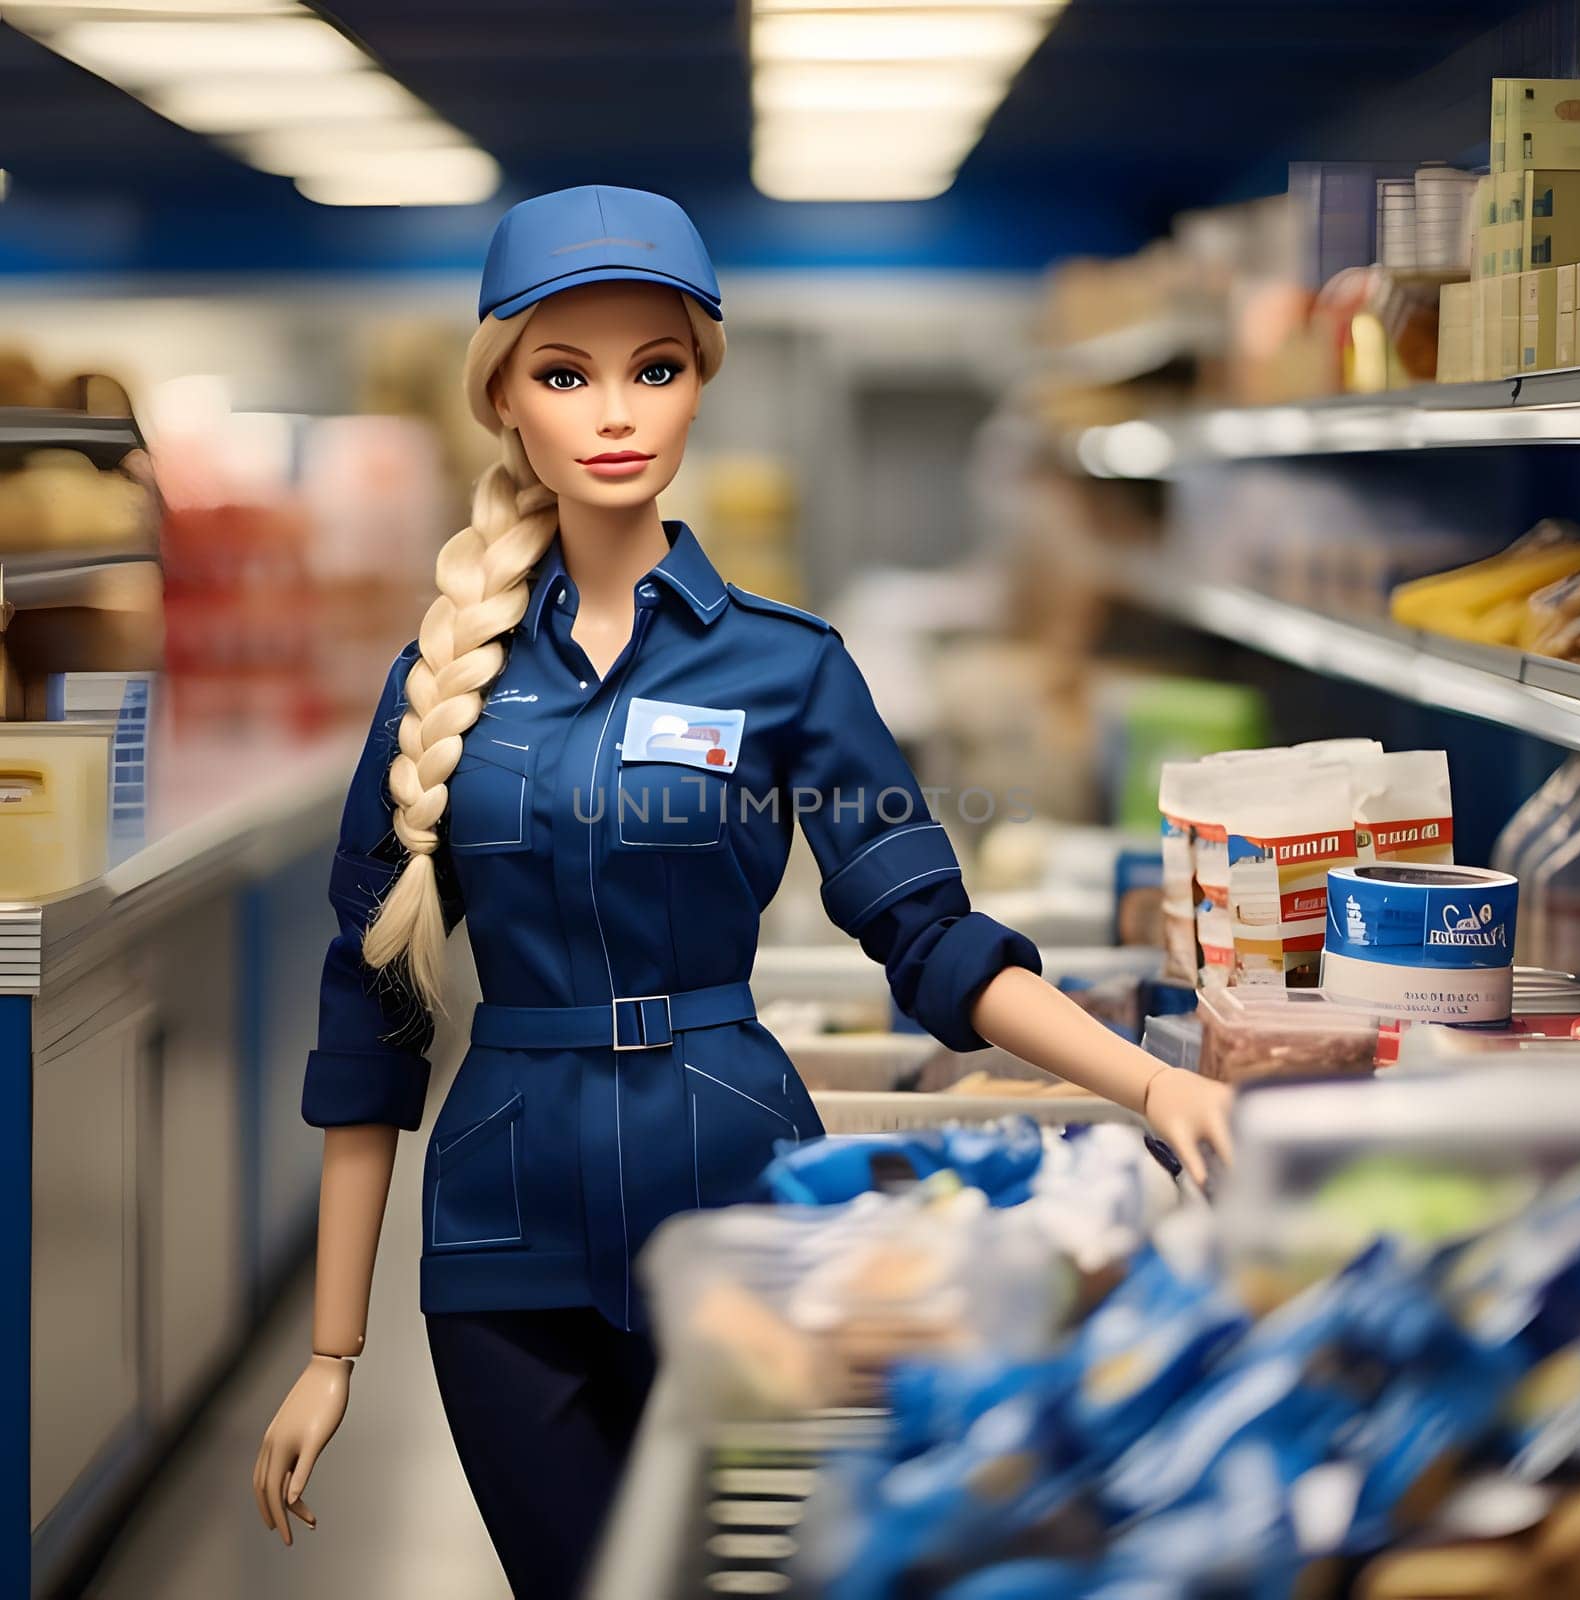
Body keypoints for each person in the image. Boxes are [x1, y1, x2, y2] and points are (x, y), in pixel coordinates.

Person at [252, 184, 1234, 1599]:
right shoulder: (443, 683)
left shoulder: (787, 669)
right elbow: (373, 1015)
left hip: (734, 1213)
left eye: (655, 367)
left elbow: (929, 935)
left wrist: (1152, 1085)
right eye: (564, 372)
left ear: (702, 383)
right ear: (504, 402)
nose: (616, 411)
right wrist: (329, 1351)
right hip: (497, 1239)